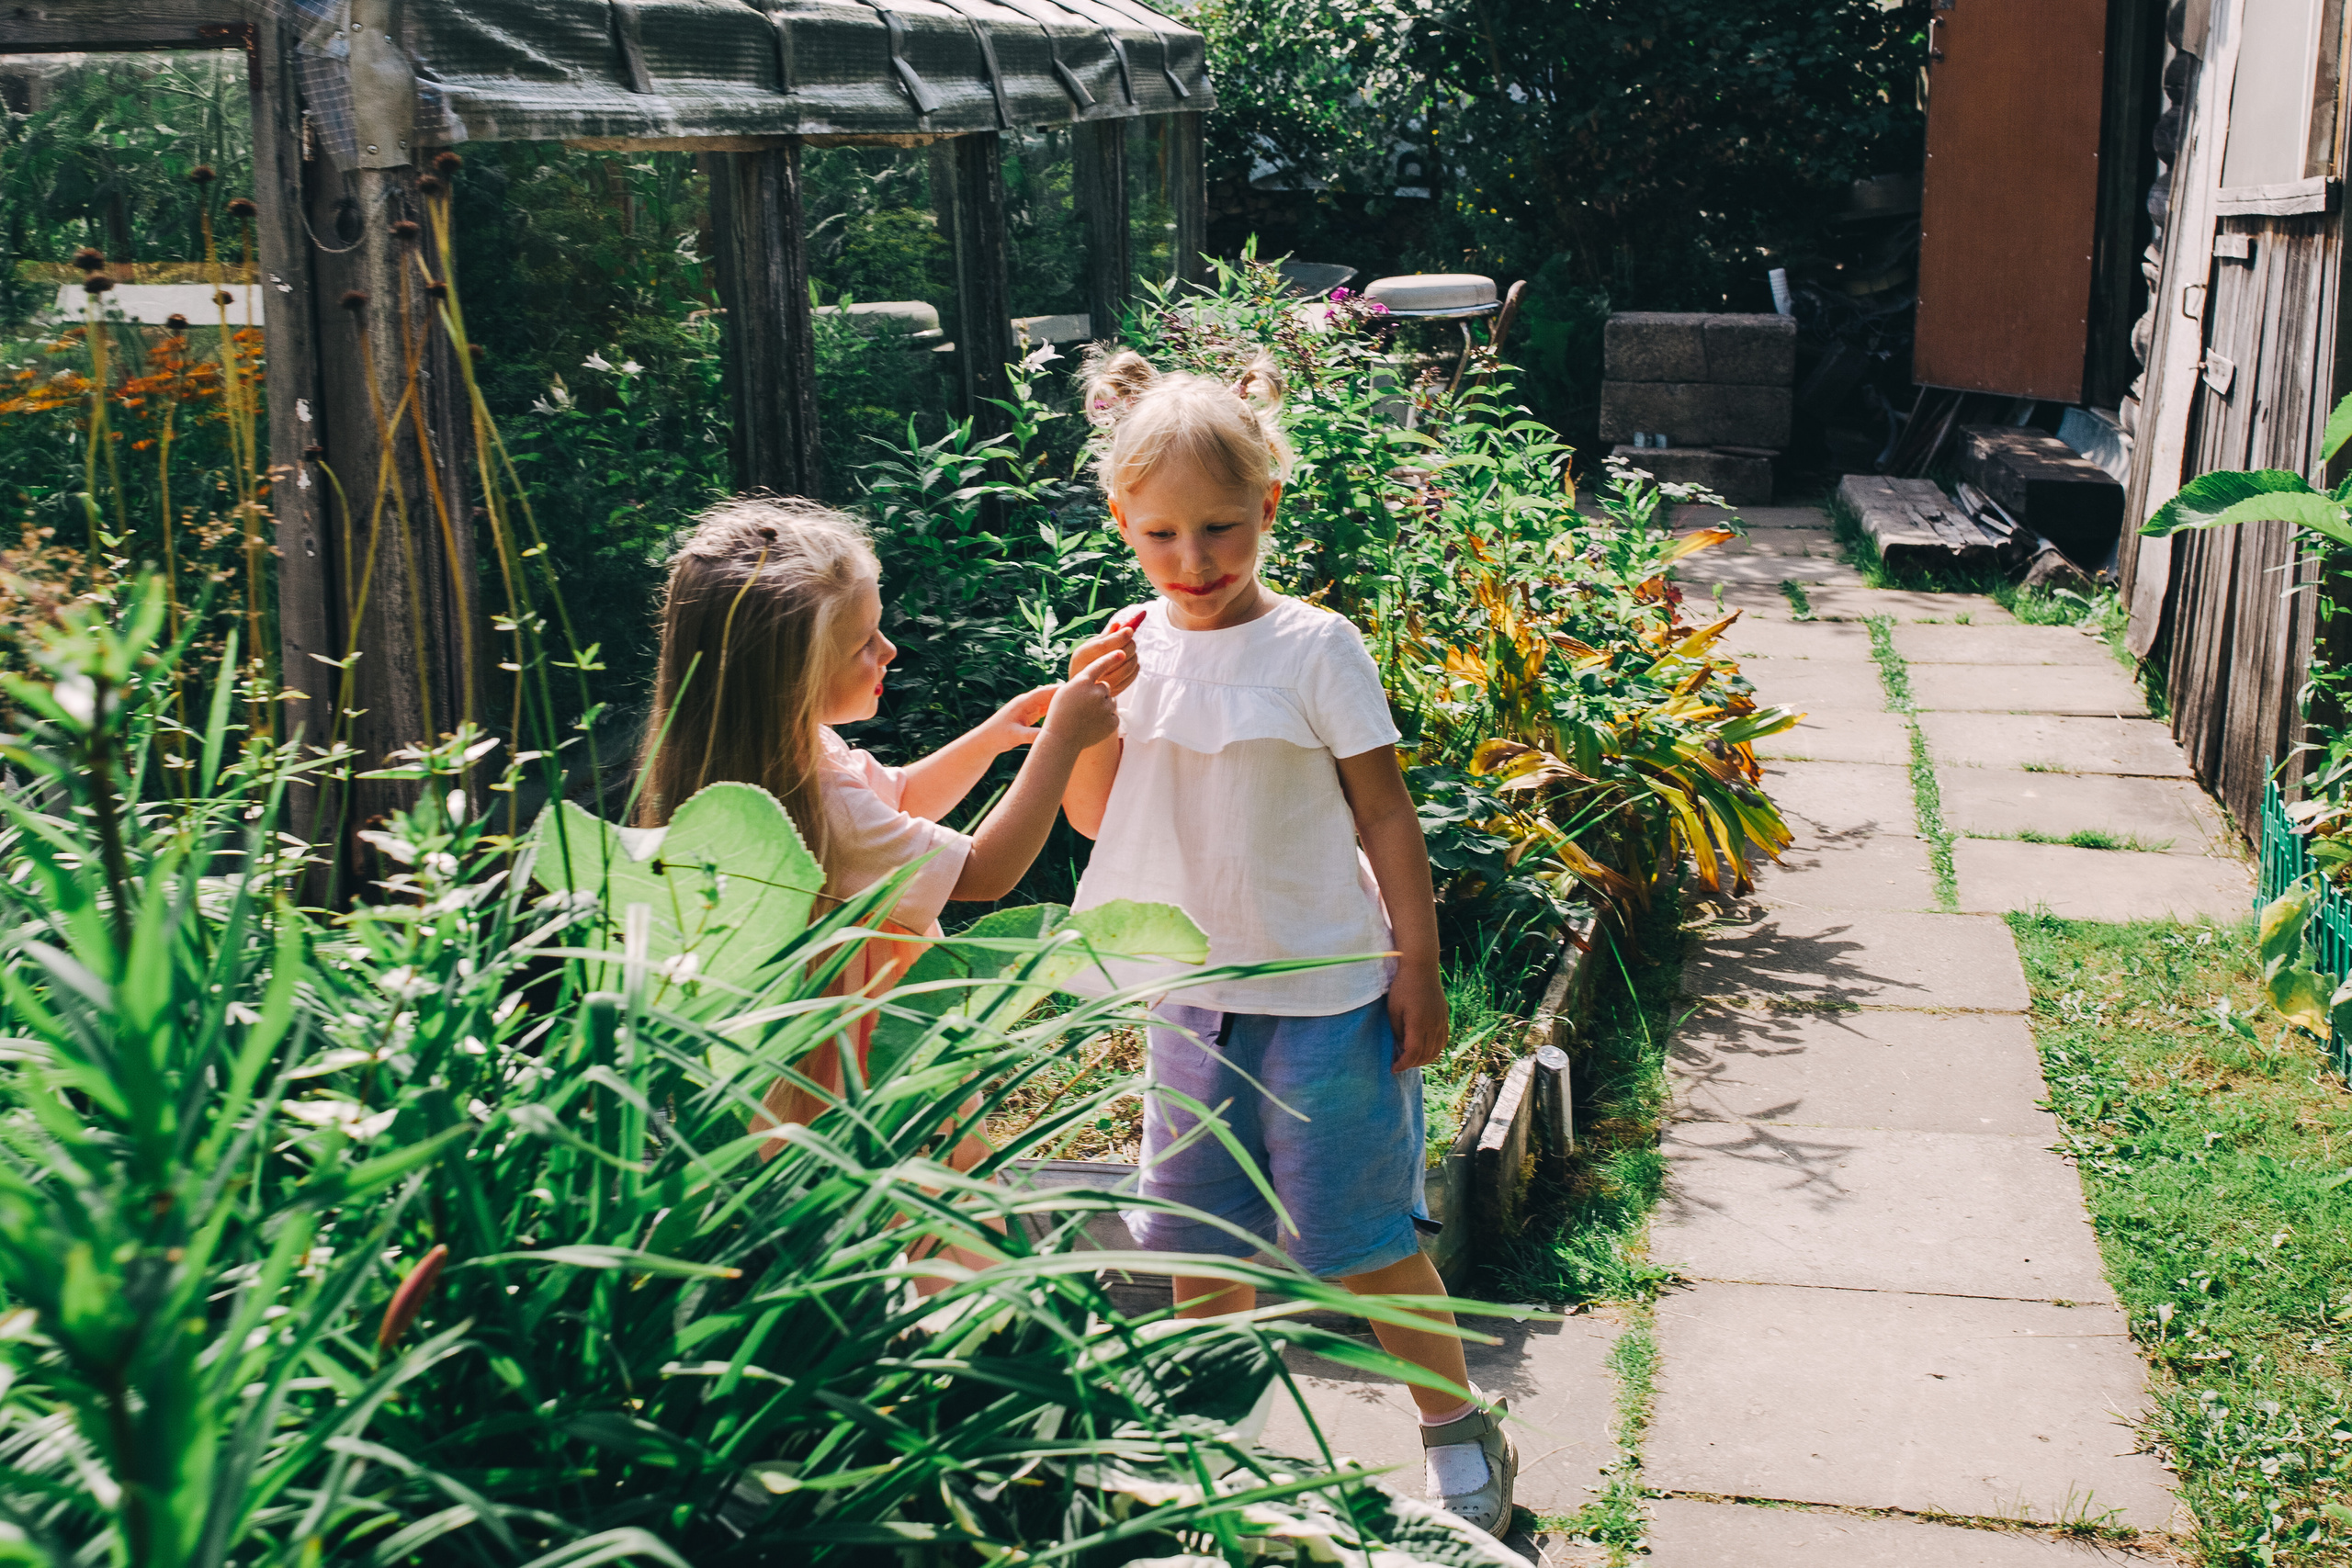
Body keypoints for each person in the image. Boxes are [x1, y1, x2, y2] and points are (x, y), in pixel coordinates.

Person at [1057, 349, 1518, 1533]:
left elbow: (1383, 814)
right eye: (1162, 536)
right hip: (1191, 1001)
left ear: (1267, 505)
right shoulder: (1130, 651)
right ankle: (1207, 1449)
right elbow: (1097, 817)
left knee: (1359, 1236)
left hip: (1326, 993)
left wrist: (1415, 971)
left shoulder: (1317, 648)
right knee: (1202, 1243)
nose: (1194, 562)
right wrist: (1087, 712)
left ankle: (1456, 1429)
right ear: (1122, 520)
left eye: (1220, 528)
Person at [634, 494, 1124, 1136]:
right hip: (874, 1059)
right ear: (793, 678)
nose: (889, 650)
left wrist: (992, 736)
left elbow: (898, 796)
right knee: (918, 1206)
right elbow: (985, 871)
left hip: (809, 1059)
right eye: (865, 642)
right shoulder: (820, 798)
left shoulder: (786, 759)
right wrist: (1061, 742)